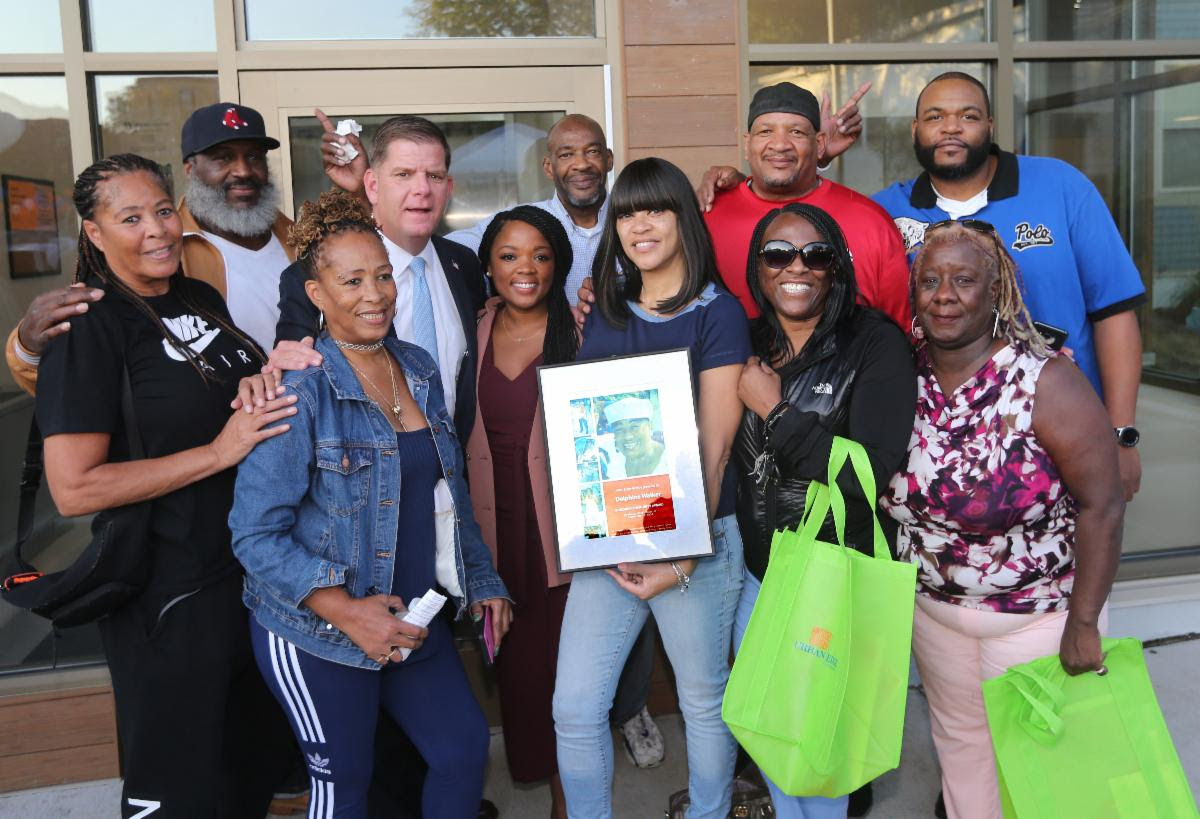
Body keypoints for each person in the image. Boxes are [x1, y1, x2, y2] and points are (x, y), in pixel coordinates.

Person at [230, 189, 512, 819]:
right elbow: (254, 534)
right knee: (344, 785)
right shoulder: (295, 388)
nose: (375, 293)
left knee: (463, 752)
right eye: (351, 279)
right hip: (316, 630)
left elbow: (448, 489)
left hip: (413, 616)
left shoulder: (415, 367)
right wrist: (348, 613)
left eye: (382, 275)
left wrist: (483, 577)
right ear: (316, 294)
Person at [34, 153, 298, 818]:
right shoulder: (87, 325)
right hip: (169, 597)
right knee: (182, 792)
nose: (156, 229)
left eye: (160, 210)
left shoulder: (198, 297)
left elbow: (215, 394)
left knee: (246, 779)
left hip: (246, 580)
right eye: (129, 218)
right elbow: (74, 488)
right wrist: (217, 451)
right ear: (94, 234)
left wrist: (258, 380)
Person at [879, 220, 1124, 819]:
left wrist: (1085, 623)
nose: (944, 294)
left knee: (1048, 778)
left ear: (998, 291)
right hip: (934, 615)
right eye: (930, 280)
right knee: (962, 753)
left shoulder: (1047, 380)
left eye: (964, 280)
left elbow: (1103, 504)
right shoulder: (896, 373)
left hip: (1036, 620)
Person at [552, 157, 752, 818]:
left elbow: (716, 441)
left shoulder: (719, 312)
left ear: (683, 219)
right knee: (576, 705)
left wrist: (681, 552)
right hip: (613, 534)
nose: (641, 223)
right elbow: (591, 428)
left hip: (695, 538)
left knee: (701, 698)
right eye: (628, 210)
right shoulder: (605, 307)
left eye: (656, 208)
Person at [871, 72, 1146, 502]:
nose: (951, 127)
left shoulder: (1061, 187)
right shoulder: (886, 212)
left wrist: (1121, 434)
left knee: (1070, 559)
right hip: (933, 450)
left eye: (969, 115)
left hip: (1063, 436)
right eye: (935, 116)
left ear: (991, 126)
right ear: (915, 129)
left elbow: (1113, 313)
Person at [730, 203, 917, 819]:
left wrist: (777, 414)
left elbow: (866, 472)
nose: (797, 268)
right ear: (758, 268)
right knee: (773, 735)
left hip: (834, 577)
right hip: (757, 578)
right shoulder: (748, 342)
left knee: (823, 746)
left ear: (837, 267)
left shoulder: (875, 343)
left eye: (816, 255)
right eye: (778, 254)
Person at [4, 101, 296, 392]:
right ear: (191, 170)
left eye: (255, 157)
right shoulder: (160, 252)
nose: (243, 171)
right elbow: (75, 383)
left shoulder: (299, 238)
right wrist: (27, 349)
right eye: (223, 158)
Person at [464, 205, 579, 819]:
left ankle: (571, 803)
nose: (525, 268)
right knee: (521, 673)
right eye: (509, 255)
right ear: (488, 265)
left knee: (569, 681)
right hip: (494, 530)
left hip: (563, 536)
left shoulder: (584, 330)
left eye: (540, 254)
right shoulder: (475, 326)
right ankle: (543, 778)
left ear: (558, 263)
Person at [322, 110, 615, 305]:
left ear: (609, 160)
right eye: (567, 155)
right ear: (549, 168)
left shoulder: (635, 225)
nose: (581, 164)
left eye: (592, 152)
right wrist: (365, 195)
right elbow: (416, 247)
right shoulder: (523, 226)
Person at [697, 82, 910, 327]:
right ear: (747, 144)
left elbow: (898, 331)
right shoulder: (708, 216)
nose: (780, 144)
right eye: (766, 131)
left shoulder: (869, 221)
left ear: (819, 144)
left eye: (796, 132)